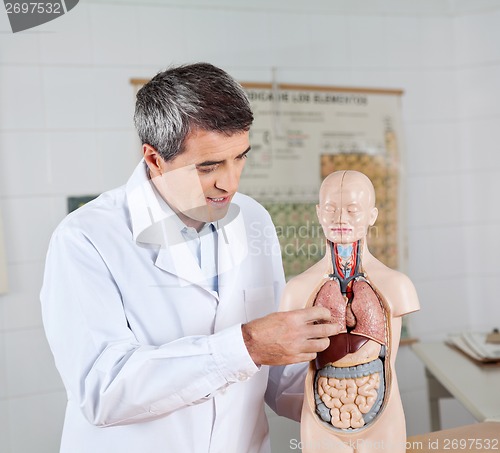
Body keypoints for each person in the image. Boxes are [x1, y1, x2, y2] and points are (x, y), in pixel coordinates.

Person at [40, 63, 337, 453]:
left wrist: (341, 395)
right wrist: (245, 345)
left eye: (240, 158)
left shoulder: (253, 219)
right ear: (154, 159)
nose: (229, 183)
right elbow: (103, 388)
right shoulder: (85, 239)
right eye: (208, 166)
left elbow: (276, 377)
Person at [280, 170, 420, 453]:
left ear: (372, 216)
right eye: (331, 209)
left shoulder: (398, 286)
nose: (340, 219)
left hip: (384, 412)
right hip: (321, 415)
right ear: (319, 213)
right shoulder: (296, 290)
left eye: (352, 210)